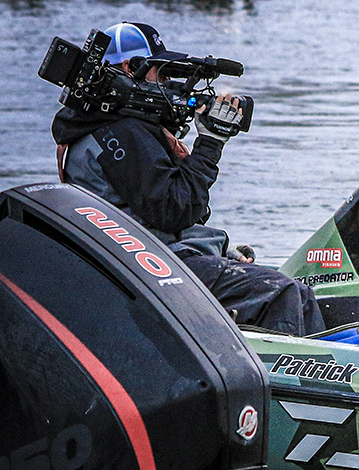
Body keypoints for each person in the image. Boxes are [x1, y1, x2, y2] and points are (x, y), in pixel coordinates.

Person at [51, 22, 326, 336]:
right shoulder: (120, 132)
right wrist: (210, 144)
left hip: (146, 261)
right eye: (162, 75)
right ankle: (297, 366)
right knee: (285, 293)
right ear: (130, 68)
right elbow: (174, 209)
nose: (168, 85)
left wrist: (217, 250)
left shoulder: (98, 127)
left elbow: (150, 215)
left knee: (289, 287)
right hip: (153, 271)